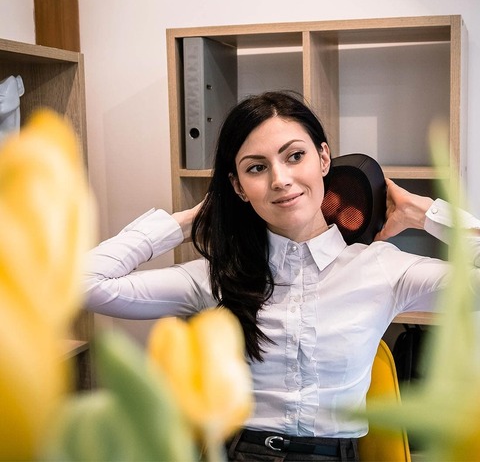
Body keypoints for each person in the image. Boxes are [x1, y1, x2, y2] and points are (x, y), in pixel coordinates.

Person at [84, 91, 480, 462]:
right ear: (238, 187)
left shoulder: (381, 268)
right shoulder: (215, 277)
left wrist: (425, 213)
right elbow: (87, 284)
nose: (280, 179)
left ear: (323, 159)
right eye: (256, 168)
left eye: (294, 156)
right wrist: (187, 220)